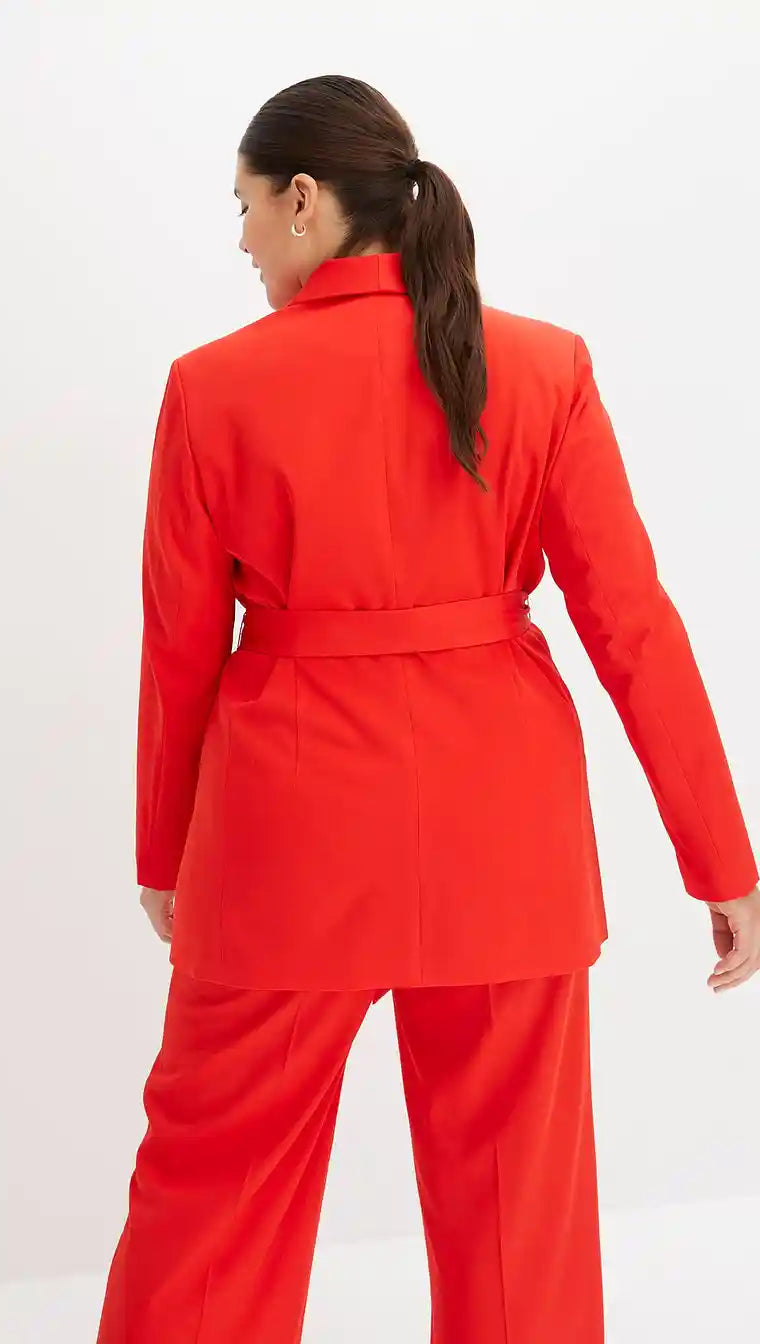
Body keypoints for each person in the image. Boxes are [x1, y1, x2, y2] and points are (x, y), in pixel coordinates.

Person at [96, 75, 759, 1343]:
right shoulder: (546, 367)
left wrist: (165, 852)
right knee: (518, 1227)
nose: (242, 239)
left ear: (305, 199)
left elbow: (178, 652)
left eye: (245, 207)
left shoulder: (212, 387)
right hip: (502, 834)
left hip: (286, 845)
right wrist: (722, 859)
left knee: (211, 1202)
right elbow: (632, 626)